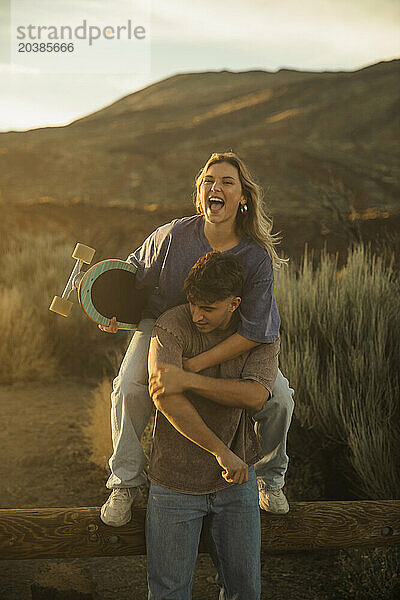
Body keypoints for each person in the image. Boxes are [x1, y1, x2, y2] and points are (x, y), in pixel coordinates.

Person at [100, 151, 294, 527]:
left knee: (280, 400)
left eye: (227, 182)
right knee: (128, 386)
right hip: (164, 327)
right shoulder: (172, 236)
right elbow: (131, 277)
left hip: (229, 336)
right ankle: (124, 481)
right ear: (199, 192)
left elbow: (255, 331)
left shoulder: (255, 257)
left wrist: (193, 368)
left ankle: (270, 479)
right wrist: (113, 313)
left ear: (243, 199)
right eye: (208, 180)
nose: (215, 187)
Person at [146, 251, 279, 599]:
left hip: (237, 486)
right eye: (193, 304)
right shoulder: (171, 325)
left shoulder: (260, 332)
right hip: (175, 480)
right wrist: (222, 453)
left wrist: (189, 379)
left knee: (244, 590)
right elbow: (165, 397)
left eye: (208, 307)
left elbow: (255, 397)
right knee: (169, 592)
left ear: (234, 303)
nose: (197, 315)